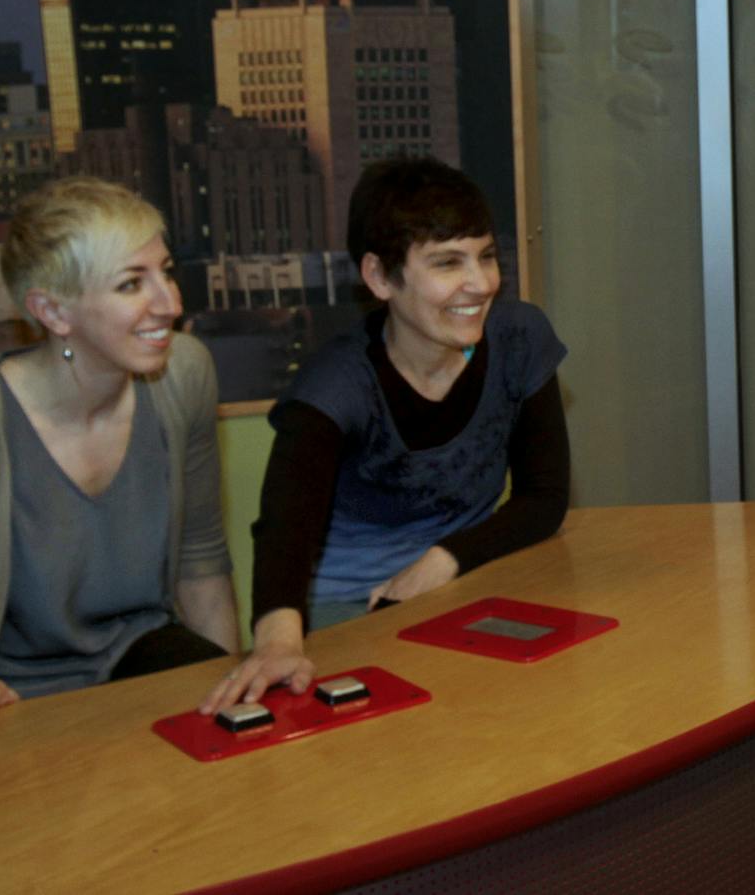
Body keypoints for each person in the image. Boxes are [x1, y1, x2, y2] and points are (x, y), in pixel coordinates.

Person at [0, 176, 237, 802]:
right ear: (52, 312)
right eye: (131, 284)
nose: (170, 302)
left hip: (137, 659)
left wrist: (228, 700)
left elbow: (201, 563)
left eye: (166, 272)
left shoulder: (186, 374)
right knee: (84, 813)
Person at [201, 156, 569, 713]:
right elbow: (283, 531)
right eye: (448, 263)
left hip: (469, 576)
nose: (481, 283)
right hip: (350, 604)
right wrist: (277, 643)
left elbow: (545, 498)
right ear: (379, 277)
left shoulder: (520, 337)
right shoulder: (335, 385)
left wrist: (444, 560)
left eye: (487, 256)